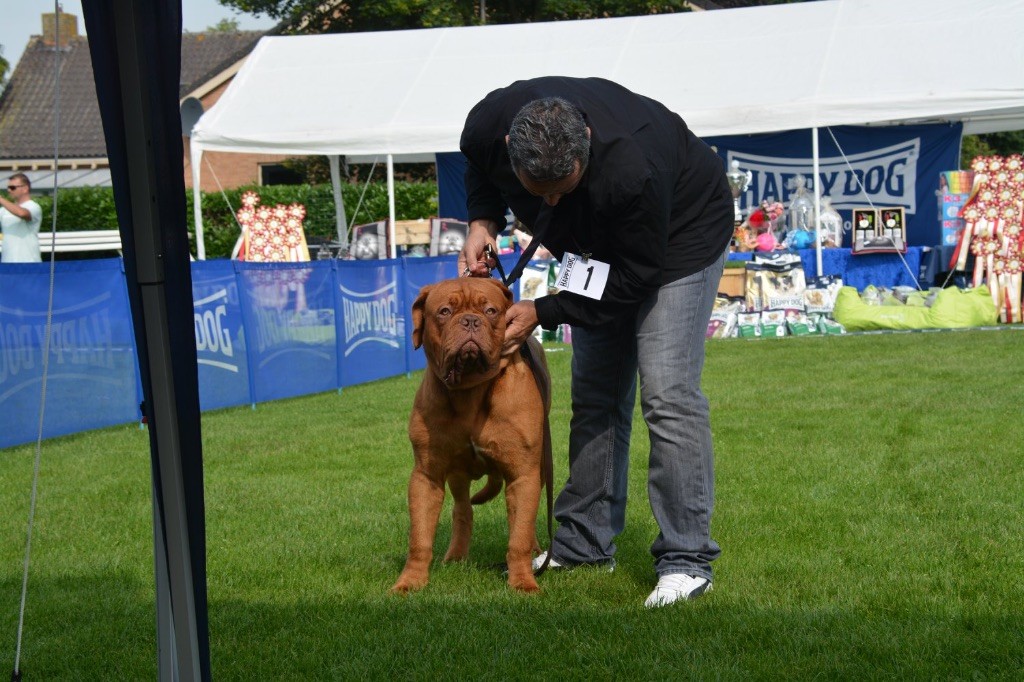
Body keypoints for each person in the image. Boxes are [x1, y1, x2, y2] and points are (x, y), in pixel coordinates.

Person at [457, 77, 733, 608]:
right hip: (595, 248)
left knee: (667, 394)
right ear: (512, 151)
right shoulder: (488, 126)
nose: (552, 202)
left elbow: (635, 277)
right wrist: (481, 222)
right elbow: (479, 169)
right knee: (595, 394)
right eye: (539, 196)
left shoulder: (634, 170)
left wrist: (545, 309)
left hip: (678, 243)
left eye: (563, 190)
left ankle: (686, 560)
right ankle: (583, 544)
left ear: (585, 141)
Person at [0, 173, 43, 263]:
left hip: (29, 263)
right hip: (7, 264)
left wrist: (1, 199)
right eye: (8, 188)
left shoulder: (34, 207)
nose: (9, 190)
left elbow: (22, 213)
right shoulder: (3, 210)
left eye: (12, 187)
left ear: (25, 189)